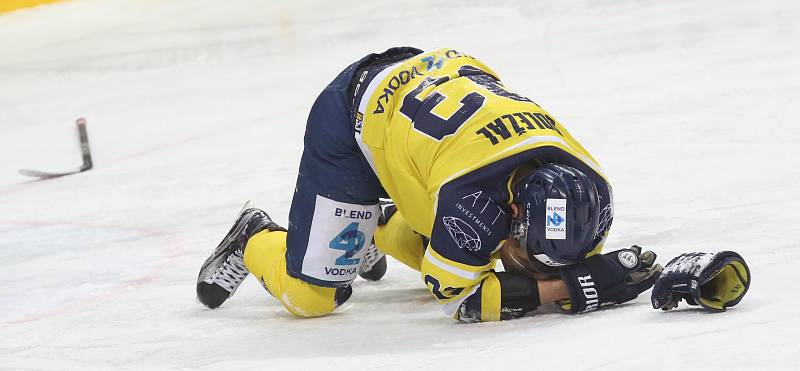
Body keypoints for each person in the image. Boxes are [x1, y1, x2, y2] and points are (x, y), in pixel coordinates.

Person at [195, 47, 662, 322]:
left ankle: (372, 227)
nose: (535, 272)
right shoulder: (473, 206)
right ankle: (255, 237)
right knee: (312, 298)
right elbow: (460, 302)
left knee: (452, 248)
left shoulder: (587, 187)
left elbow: (552, 243)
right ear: (514, 211)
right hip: (353, 118)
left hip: (431, 83)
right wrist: (573, 287)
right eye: (531, 260)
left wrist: (570, 267)